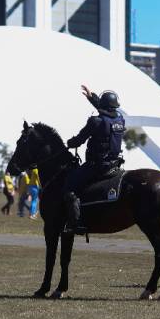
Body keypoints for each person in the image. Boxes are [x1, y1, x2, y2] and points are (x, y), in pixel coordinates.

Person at [63, 85, 126, 234]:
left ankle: (76, 224)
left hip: (97, 165)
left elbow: (79, 140)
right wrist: (92, 97)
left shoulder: (95, 121)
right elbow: (106, 111)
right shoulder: (120, 119)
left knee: (69, 188)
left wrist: (69, 143)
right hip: (115, 164)